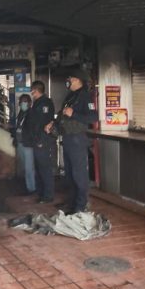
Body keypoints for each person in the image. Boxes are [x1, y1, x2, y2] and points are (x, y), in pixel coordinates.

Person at [45, 70, 98, 213]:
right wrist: (53, 124)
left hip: (77, 139)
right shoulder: (70, 96)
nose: (68, 80)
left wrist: (74, 113)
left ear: (78, 80)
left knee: (79, 174)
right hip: (67, 138)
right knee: (69, 174)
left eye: (70, 78)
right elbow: (63, 115)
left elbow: (93, 117)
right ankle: (72, 203)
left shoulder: (85, 97)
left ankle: (81, 206)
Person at [29, 81, 56, 203]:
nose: (31, 92)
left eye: (32, 90)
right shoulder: (37, 103)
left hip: (43, 140)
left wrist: (40, 140)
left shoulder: (45, 103)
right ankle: (41, 193)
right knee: (39, 168)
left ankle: (48, 195)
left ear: (36, 90)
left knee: (45, 168)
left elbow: (43, 123)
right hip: (37, 140)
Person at [14, 94, 36, 196]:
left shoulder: (31, 113)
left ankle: (32, 189)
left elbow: (31, 129)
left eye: (25, 101)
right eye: (22, 101)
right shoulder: (21, 113)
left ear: (30, 103)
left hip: (27, 144)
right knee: (25, 167)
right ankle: (29, 187)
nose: (23, 103)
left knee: (29, 168)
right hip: (20, 143)